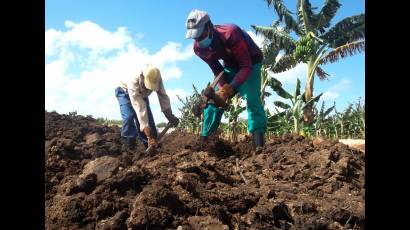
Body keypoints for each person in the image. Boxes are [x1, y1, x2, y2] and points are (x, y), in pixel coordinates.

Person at [185, 9, 267, 152]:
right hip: (230, 65)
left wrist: (229, 90)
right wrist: (222, 92)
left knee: (252, 99)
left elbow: (245, 66)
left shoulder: (230, 33)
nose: (199, 40)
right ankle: (205, 146)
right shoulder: (199, 49)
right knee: (211, 104)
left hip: (251, 62)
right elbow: (218, 71)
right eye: (195, 37)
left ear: (210, 27)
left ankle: (259, 148)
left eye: (201, 35)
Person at [115, 64, 179, 150]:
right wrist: (149, 136)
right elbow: (140, 108)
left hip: (142, 95)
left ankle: (149, 146)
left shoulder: (156, 77)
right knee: (129, 117)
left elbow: (163, 97)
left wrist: (170, 116)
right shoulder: (133, 80)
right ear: (143, 78)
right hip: (124, 91)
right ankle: (129, 145)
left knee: (149, 121)